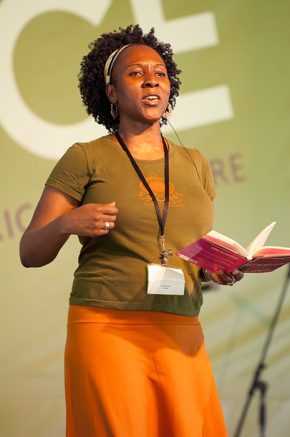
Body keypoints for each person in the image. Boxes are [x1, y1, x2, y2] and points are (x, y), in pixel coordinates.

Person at [20, 24, 243, 437]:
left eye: (159, 73)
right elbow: (30, 251)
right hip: (108, 328)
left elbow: (191, 249)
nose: (151, 80)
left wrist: (215, 269)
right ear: (111, 92)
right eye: (135, 73)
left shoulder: (195, 161)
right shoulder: (85, 157)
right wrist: (69, 222)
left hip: (180, 328)